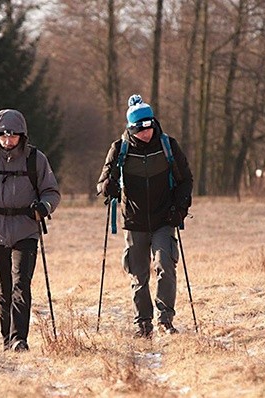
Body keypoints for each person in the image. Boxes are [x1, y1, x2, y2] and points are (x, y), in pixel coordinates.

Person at [0, 109, 60, 352]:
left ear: (22, 136)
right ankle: (6, 338)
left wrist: (44, 206)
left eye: (13, 136)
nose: (8, 141)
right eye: (3, 136)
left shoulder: (35, 159)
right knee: (3, 288)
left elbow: (51, 191)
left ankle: (19, 339)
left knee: (21, 285)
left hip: (26, 230)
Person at [97, 94, 193, 338]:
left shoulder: (168, 145)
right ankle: (143, 323)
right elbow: (102, 183)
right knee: (138, 274)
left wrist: (180, 207)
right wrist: (108, 186)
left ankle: (165, 320)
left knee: (165, 266)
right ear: (131, 128)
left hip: (164, 220)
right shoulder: (120, 149)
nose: (146, 133)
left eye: (149, 127)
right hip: (135, 222)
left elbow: (185, 179)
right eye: (140, 129)